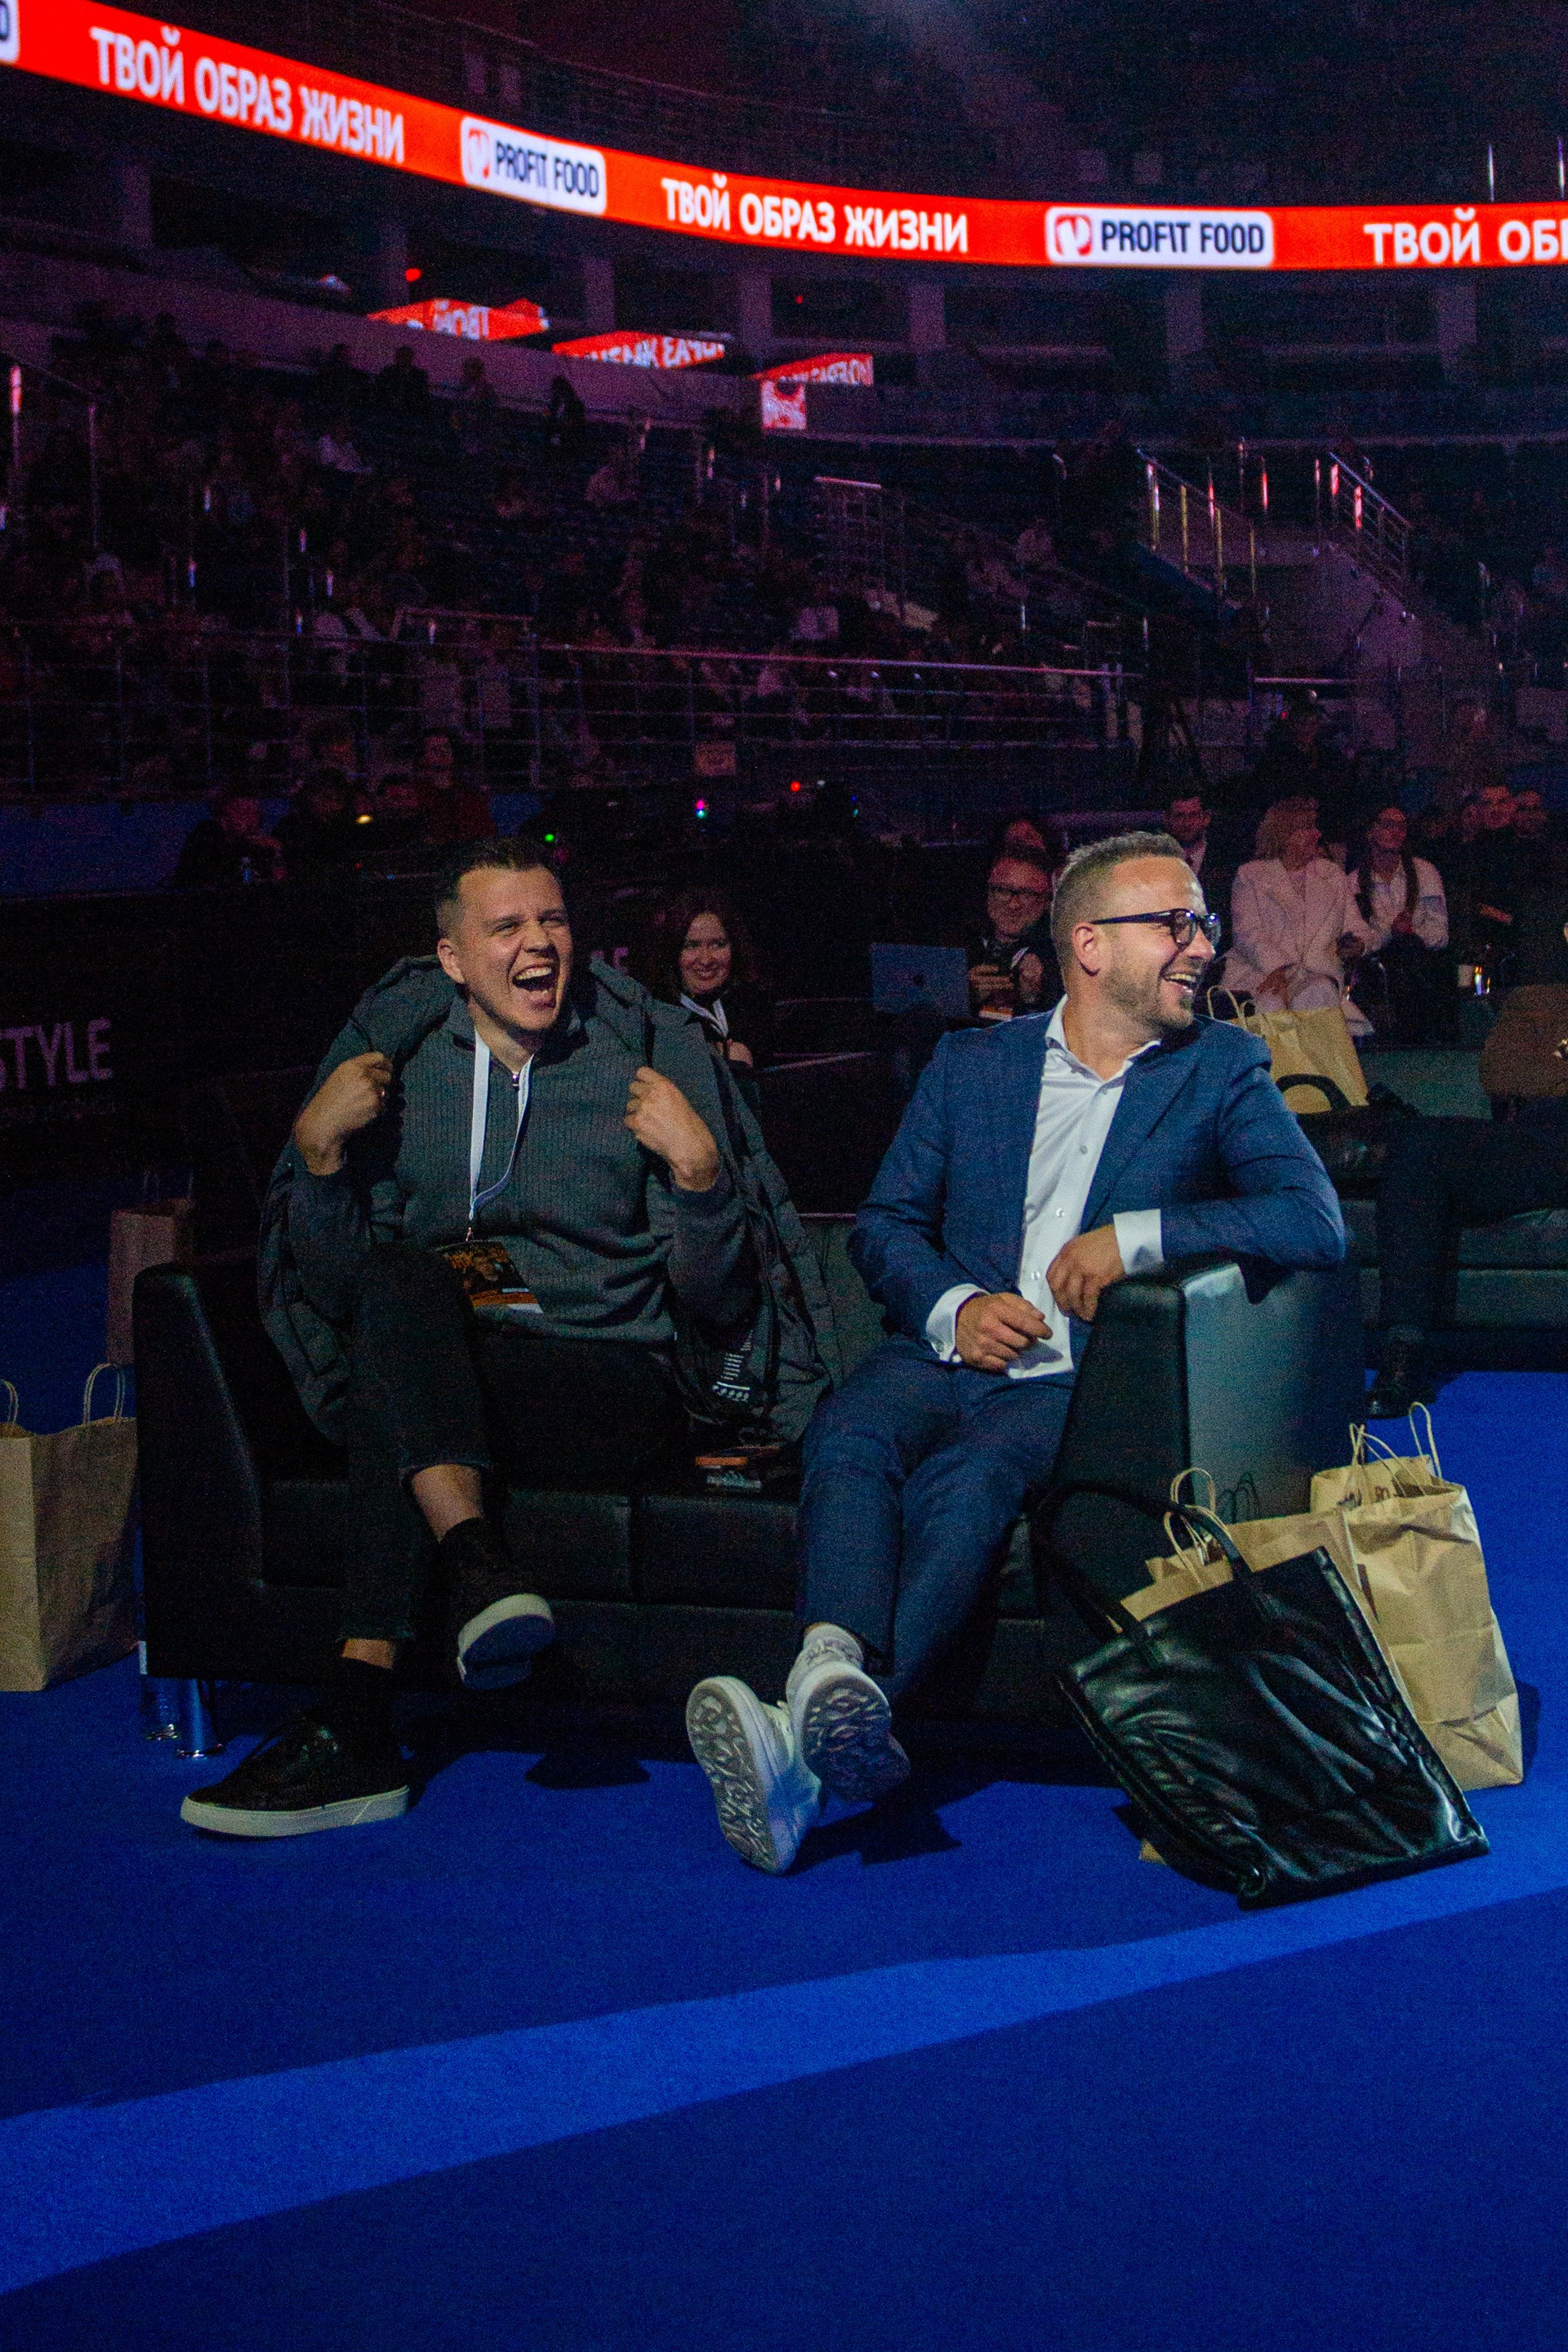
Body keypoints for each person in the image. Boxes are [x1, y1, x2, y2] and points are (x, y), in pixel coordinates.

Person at [684, 831, 1346, 1873]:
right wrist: (953, 1307)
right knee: (848, 1433)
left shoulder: (1220, 1067)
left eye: (1205, 923)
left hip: (1075, 1378)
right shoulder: (972, 1063)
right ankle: (825, 1678)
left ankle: (799, 1747)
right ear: (1091, 944)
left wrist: (1135, 1240)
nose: (1201, 946)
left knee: (972, 1478)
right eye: (1175, 923)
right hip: (940, 1354)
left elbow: (1313, 1220)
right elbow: (886, 1225)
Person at [183, 840, 805, 1839]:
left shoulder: (638, 1059)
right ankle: (468, 1572)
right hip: (452, 1368)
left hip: (610, 1376)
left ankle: (361, 1716)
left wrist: (699, 1178)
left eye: (552, 921)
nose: (539, 944)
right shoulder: (410, 1070)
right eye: (507, 926)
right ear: (453, 959)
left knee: (398, 1371)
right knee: (399, 1282)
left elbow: (716, 1297)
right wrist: (318, 1157)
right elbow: (338, 1292)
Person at [1369, 1098, 1568, 1416]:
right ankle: (1404, 1347)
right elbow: (1503, 1079)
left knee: (1421, 1141)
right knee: (1416, 1140)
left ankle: (1407, 1349)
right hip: (1537, 1129)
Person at [1222, 796, 1374, 1012]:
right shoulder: (1251, 875)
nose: (1317, 834)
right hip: (1261, 971)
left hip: (1319, 974)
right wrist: (1277, 967)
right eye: (1308, 828)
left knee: (1319, 993)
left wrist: (1358, 944)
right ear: (1285, 835)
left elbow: (1357, 928)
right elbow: (1248, 932)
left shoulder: (1332, 875)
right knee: (1271, 1001)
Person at [1347, 804, 1449, 1043]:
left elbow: (1441, 935)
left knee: (1410, 949)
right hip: (1377, 965)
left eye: (1401, 826)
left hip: (1421, 961)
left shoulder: (1425, 872)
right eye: (1388, 825)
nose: (1396, 832)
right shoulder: (1354, 882)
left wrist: (1411, 932)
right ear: (1371, 831)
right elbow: (1359, 937)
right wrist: (1391, 933)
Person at [644, 888, 774, 1073]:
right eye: (691, 946)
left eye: (717, 944)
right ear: (673, 952)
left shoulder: (755, 1007)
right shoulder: (655, 1017)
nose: (705, 960)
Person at [964, 848, 1061, 1018]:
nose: (1013, 905)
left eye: (1027, 894)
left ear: (1047, 901)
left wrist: (1034, 1001)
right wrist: (962, 994)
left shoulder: (1062, 956)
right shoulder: (957, 945)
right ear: (988, 893)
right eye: (1002, 891)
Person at [1252, 692, 1353, 848]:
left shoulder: (1329, 754)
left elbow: (1339, 786)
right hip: (1286, 822)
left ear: (1318, 726)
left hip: (1321, 823)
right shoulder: (1276, 755)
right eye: (1301, 724)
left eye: (1311, 724)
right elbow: (1264, 787)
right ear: (1292, 725)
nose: (1306, 729)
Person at [172, 788, 285, 888]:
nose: (253, 820)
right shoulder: (206, 834)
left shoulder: (243, 842)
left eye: (255, 813)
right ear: (225, 813)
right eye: (244, 812)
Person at [276, 768, 363, 881]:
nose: (333, 805)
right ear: (310, 796)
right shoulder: (290, 826)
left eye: (339, 800)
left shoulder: (350, 828)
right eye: (326, 798)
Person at [415, 728, 492, 848]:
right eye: (435, 749)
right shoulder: (418, 794)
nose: (443, 752)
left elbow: (484, 829)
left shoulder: (467, 792)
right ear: (423, 758)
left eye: (446, 747)